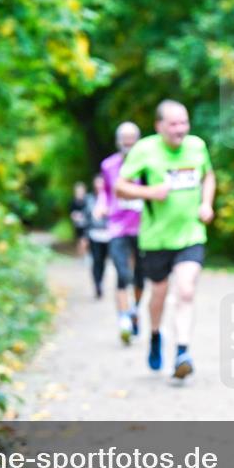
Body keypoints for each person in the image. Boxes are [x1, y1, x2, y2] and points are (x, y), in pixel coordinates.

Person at [115, 100, 215, 379]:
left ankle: (182, 351)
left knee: (185, 290)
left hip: (191, 235)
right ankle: (156, 336)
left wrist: (206, 203)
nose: (180, 129)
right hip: (156, 239)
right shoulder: (145, 150)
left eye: (184, 122)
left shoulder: (197, 146)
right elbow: (120, 187)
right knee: (157, 296)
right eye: (173, 124)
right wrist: (150, 193)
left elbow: (209, 176)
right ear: (159, 126)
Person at [99, 121, 146, 344]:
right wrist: (101, 206)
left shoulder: (147, 165)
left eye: (132, 138)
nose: (128, 142)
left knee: (139, 279)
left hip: (144, 228)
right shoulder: (108, 165)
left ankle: (134, 310)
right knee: (122, 274)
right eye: (124, 138)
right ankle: (124, 320)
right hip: (117, 228)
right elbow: (106, 194)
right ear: (118, 141)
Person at [87, 175, 112, 300]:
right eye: (97, 183)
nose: (99, 186)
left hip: (107, 234)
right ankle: (97, 284)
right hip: (94, 234)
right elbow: (87, 217)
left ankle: (100, 281)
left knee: (103, 261)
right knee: (96, 260)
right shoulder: (90, 199)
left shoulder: (110, 198)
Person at [69, 182, 91, 259]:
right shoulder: (74, 201)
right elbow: (72, 214)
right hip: (78, 224)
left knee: (85, 240)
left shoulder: (88, 200)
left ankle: (84, 254)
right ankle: (81, 255)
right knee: (80, 240)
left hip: (87, 224)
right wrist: (76, 217)